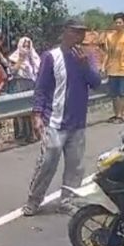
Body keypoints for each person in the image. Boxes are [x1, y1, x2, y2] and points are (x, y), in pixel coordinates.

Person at [23, 18, 102, 217]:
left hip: (77, 122)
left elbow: (96, 83)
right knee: (48, 162)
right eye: (76, 32)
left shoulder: (87, 58)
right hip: (54, 121)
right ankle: (34, 200)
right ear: (66, 32)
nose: (80, 36)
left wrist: (85, 66)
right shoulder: (51, 56)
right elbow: (41, 88)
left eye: (82, 32)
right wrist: (37, 114)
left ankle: (67, 200)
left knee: (75, 166)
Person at [103, 13, 124, 124]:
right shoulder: (109, 37)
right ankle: (116, 114)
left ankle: (121, 115)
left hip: (123, 69)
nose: (118, 25)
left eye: (120, 22)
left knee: (122, 94)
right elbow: (107, 53)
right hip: (112, 69)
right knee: (114, 94)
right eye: (116, 23)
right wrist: (103, 66)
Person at [9, 36, 40, 143]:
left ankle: (33, 134)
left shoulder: (34, 57)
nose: (26, 48)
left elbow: (38, 70)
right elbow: (12, 71)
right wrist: (21, 60)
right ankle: (21, 135)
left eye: (28, 46)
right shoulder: (14, 57)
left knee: (31, 111)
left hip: (31, 84)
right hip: (20, 84)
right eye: (24, 46)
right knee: (21, 111)